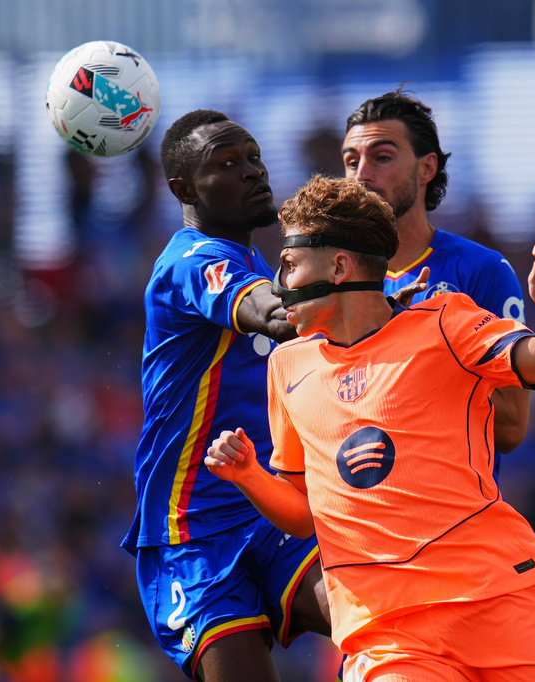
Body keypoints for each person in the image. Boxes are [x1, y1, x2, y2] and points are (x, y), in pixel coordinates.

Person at [206, 175, 535, 680]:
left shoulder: (444, 323)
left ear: (339, 267)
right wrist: (249, 476)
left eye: (288, 264)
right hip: (386, 631)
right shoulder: (286, 366)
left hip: (498, 595)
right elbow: (303, 515)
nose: (277, 285)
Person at [120, 109, 338, 682]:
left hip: (270, 510)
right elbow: (270, 314)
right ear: (183, 189)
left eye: (253, 158)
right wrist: (372, 293)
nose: (251, 172)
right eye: (226, 163)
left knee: (382, 620)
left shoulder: (253, 261)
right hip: (191, 533)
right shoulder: (190, 263)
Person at [342, 85, 530, 462]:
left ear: (427, 167)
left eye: (381, 157)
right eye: (350, 161)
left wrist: (418, 357)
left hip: (451, 514)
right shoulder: (324, 276)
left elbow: (510, 427)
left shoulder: (481, 270)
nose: (361, 174)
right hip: (352, 515)